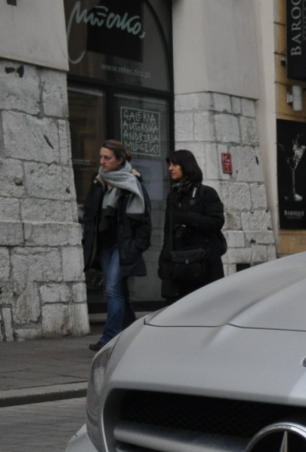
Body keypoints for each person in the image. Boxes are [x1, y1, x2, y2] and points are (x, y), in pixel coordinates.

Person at [82, 140, 151, 352]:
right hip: (103, 245)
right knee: (119, 290)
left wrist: (137, 246)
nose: (102, 162)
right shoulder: (99, 182)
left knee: (112, 289)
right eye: (101, 157)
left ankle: (109, 338)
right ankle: (135, 331)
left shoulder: (132, 183)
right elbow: (90, 212)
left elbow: (144, 220)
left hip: (123, 246)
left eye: (107, 158)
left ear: (120, 160)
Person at [158, 150, 226, 303]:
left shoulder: (206, 193)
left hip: (203, 266)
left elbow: (216, 222)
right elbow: (168, 231)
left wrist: (188, 217)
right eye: (169, 164)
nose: (170, 168)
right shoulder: (173, 196)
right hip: (179, 266)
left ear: (186, 166)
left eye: (174, 164)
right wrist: (164, 260)